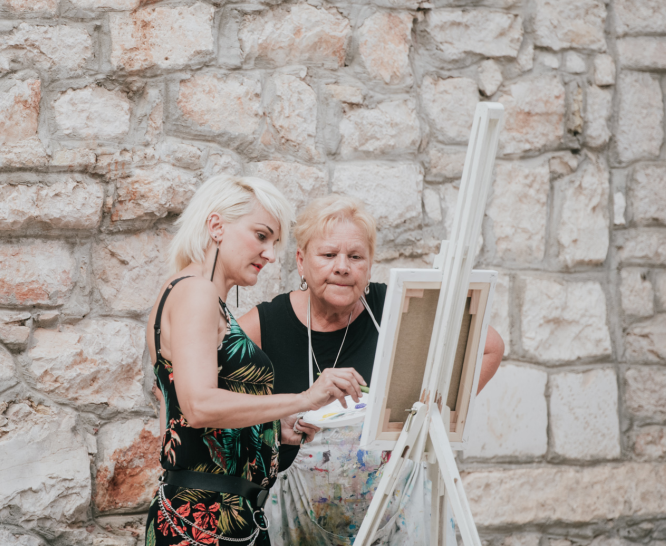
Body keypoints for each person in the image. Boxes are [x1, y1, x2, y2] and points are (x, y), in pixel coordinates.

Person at [237, 194, 505, 545]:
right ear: (301, 261)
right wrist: (271, 427)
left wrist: (432, 419)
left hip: (397, 517)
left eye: (355, 256)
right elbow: (209, 398)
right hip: (300, 523)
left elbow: (488, 347)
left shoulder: (398, 307)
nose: (343, 267)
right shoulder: (265, 325)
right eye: (329, 255)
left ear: (369, 263)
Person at [145, 175, 368, 546]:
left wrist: (270, 429)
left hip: (226, 518)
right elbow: (198, 405)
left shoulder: (198, 295)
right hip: (202, 522)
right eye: (261, 236)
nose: (269, 253)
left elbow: (190, 418)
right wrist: (305, 399)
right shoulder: (195, 292)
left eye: (274, 242)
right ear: (216, 226)